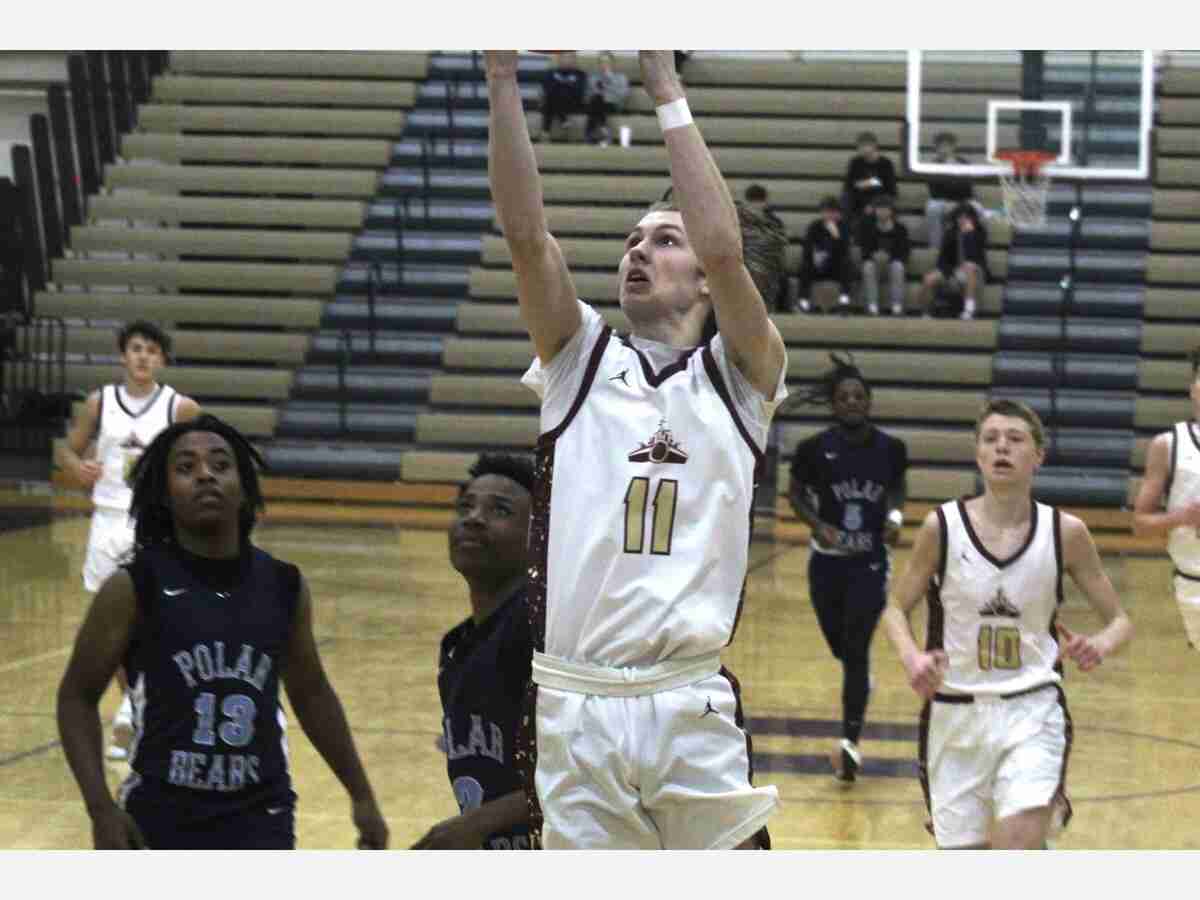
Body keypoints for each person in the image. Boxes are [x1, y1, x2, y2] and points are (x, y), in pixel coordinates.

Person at [485, 49, 784, 850]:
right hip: (574, 704)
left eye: (665, 239)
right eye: (633, 240)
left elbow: (726, 250)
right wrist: (501, 78)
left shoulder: (742, 375)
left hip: (686, 701)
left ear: (708, 279)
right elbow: (525, 236)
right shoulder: (578, 359)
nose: (638, 251)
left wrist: (664, 85)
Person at [56, 415, 389, 850]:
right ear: (164, 495)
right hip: (159, 816)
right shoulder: (134, 586)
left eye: (220, 464)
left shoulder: (284, 585)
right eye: (185, 467)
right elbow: (76, 697)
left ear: (243, 486)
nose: (205, 475)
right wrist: (100, 808)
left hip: (262, 815)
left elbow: (312, 694)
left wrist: (361, 794)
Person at [881, 398, 1133, 849]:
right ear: (978, 454)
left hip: (1032, 706)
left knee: (1017, 842)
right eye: (991, 439)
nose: (1002, 447)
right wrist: (912, 657)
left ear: (1038, 456)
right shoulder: (942, 527)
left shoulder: (1066, 532)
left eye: (1015, 439)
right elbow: (895, 609)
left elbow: (1119, 621)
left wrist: (1100, 645)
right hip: (954, 711)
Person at [56, 320, 201, 761]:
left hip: (154, 524)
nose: (143, 357)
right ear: (123, 355)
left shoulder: (180, 408)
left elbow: (203, 458)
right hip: (106, 522)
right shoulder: (99, 403)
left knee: (154, 621)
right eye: (136, 348)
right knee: (113, 625)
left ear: (162, 360)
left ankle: (141, 708)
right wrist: (76, 467)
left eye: (152, 351)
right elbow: (66, 449)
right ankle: (136, 711)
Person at [787, 354, 908, 785]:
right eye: (844, 397)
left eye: (859, 396)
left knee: (856, 650)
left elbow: (896, 488)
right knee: (839, 644)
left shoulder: (891, 449)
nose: (852, 402)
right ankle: (859, 680)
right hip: (826, 562)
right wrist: (817, 524)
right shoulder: (813, 449)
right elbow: (795, 494)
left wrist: (894, 517)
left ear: (869, 402)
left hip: (870, 562)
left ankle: (850, 742)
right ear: (834, 404)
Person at [413, 451, 536, 850]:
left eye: (500, 510)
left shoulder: (539, 628)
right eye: (466, 506)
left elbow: (594, 773)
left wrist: (478, 823)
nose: (474, 518)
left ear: (540, 535)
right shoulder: (458, 646)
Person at [1132, 344, 1200, 649]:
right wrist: (1181, 517)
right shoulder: (1168, 445)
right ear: (1193, 388)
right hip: (1193, 583)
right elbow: (1140, 524)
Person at [918, 202, 990, 321]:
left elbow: (975, 256)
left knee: (970, 268)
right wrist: (949, 273)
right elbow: (942, 259)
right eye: (960, 217)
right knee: (928, 279)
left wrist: (968, 235)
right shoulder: (950, 233)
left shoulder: (979, 233)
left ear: (972, 218)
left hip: (976, 270)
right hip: (952, 269)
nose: (962, 220)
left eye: (966, 217)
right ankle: (926, 312)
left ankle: (969, 310)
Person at [856, 195, 911, 316]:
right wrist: (873, 256)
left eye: (885, 209)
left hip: (892, 263)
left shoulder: (900, 229)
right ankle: (872, 306)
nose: (882, 212)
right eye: (879, 209)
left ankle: (897, 306)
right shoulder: (868, 227)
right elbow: (864, 250)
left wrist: (890, 257)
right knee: (868, 267)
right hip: (874, 262)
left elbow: (904, 252)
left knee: (898, 267)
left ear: (891, 211)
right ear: (875, 211)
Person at [798, 196, 853, 314]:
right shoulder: (814, 226)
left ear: (838, 213)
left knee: (847, 265)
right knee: (805, 267)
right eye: (826, 212)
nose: (829, 215)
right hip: (817, 265)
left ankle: (844, 301)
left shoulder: (843, 227)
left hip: (835, 266)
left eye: (832, 212)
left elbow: (845, 251)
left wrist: (836, 236)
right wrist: (816, 257)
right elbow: (807, 248)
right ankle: (803, 302)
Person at [744, 183, 792, 312]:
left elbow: (779, 245)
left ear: (765, 203)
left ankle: (782, 310)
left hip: (768, 262)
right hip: (747, 262)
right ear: (747, 203)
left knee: (781, 274)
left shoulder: (775, 222)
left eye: (759, 202)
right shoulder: (740, 221)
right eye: (753, 202)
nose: (756, 206)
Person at [925, 132, 977, 246]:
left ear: (953, 147)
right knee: (932, 209)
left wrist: (958, 203)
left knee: (977, 210)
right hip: (941, 201)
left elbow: (968, 189)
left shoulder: (964, 164)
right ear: (937, 149)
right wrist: (947, 202)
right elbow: (934, 191)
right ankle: (936, 246)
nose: (944, 150)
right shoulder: (932, 165)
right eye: (940, 147)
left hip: (962, 200)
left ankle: (970, 247)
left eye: (947, 146)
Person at [843, 131, 898, 227]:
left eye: (866, 146)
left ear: (874, 146)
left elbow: (891, 190)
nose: (863, 149)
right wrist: (873, 182)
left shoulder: (885, 164)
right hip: (858, 204)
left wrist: (874, 205)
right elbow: (848, 186)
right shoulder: (855, 163)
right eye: (861, 147)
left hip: (880, 204)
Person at [584, 51, 630, 146]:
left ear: (613, 63)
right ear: (598, 64)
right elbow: (588, 94)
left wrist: (609, 82)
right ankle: (603, 130)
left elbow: (623, 95)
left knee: (597, 102)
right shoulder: (593, 77)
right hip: (596, 103)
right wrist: (598, 93)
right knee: (597, 101)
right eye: (602, 62)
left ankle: (590, 134)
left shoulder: (621, 78)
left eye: (607, 62)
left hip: (613, 104)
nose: (604, 64)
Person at [540, 51, 587, 142]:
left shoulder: (580, 74)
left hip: (573, 103)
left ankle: (546, 131)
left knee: (556, 97)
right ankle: (564, 121)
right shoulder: (550, 73)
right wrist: (566, 84)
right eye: (564, 57)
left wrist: (561, 84)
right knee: (552, 98)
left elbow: (579, 92)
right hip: (553, 100)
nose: (566, 60)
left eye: (569, 57)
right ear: (559, 59)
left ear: (574, 60)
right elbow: (547, 88)